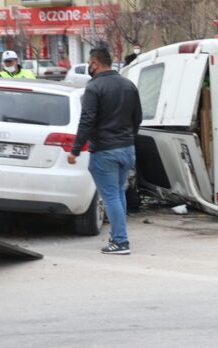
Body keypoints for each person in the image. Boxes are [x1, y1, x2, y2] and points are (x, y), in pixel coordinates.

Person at [68, 47, 142, 255]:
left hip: (105, 151)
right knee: (118, 193)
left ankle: (120, 242)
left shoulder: (94, 87)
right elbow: (138, 117)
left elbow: (87, 120)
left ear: (94, 63)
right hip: (127, 149)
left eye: (89, 63)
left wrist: (75, 150)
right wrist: (129, 138)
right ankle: (118, 236)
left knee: (110, 196)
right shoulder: (129, 85)